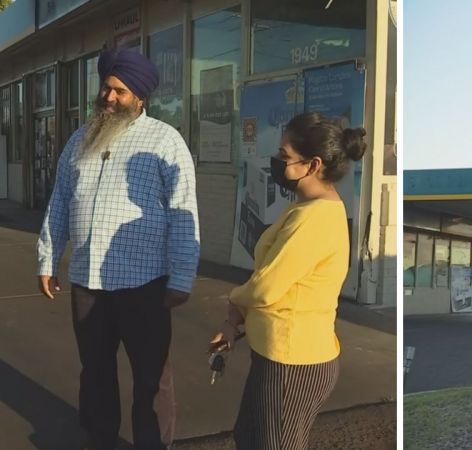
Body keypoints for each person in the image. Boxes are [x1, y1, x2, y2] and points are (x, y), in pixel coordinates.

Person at [36, 48, 200, 450]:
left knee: (151, 376)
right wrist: (47, 258)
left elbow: (183, 212)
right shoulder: (79, 139)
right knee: (95, 371)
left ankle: (152, 444)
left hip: (143, 284)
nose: (109, 98)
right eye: (106, 88)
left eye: (120, 92)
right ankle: (99, 438)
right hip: (87, 283)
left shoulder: (165, 141)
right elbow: (60, 201)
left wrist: (181, 277)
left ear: (140, 97)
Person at [210, 112, 366, 450]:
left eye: (284, 156)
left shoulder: (315, 218)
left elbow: (266, 287)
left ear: (312, 165)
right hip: (279, 355)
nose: (277, 162)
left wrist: (233, 298)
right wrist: (234, 317)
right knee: (250, 438)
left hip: (293, 362)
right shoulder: (305, 207)